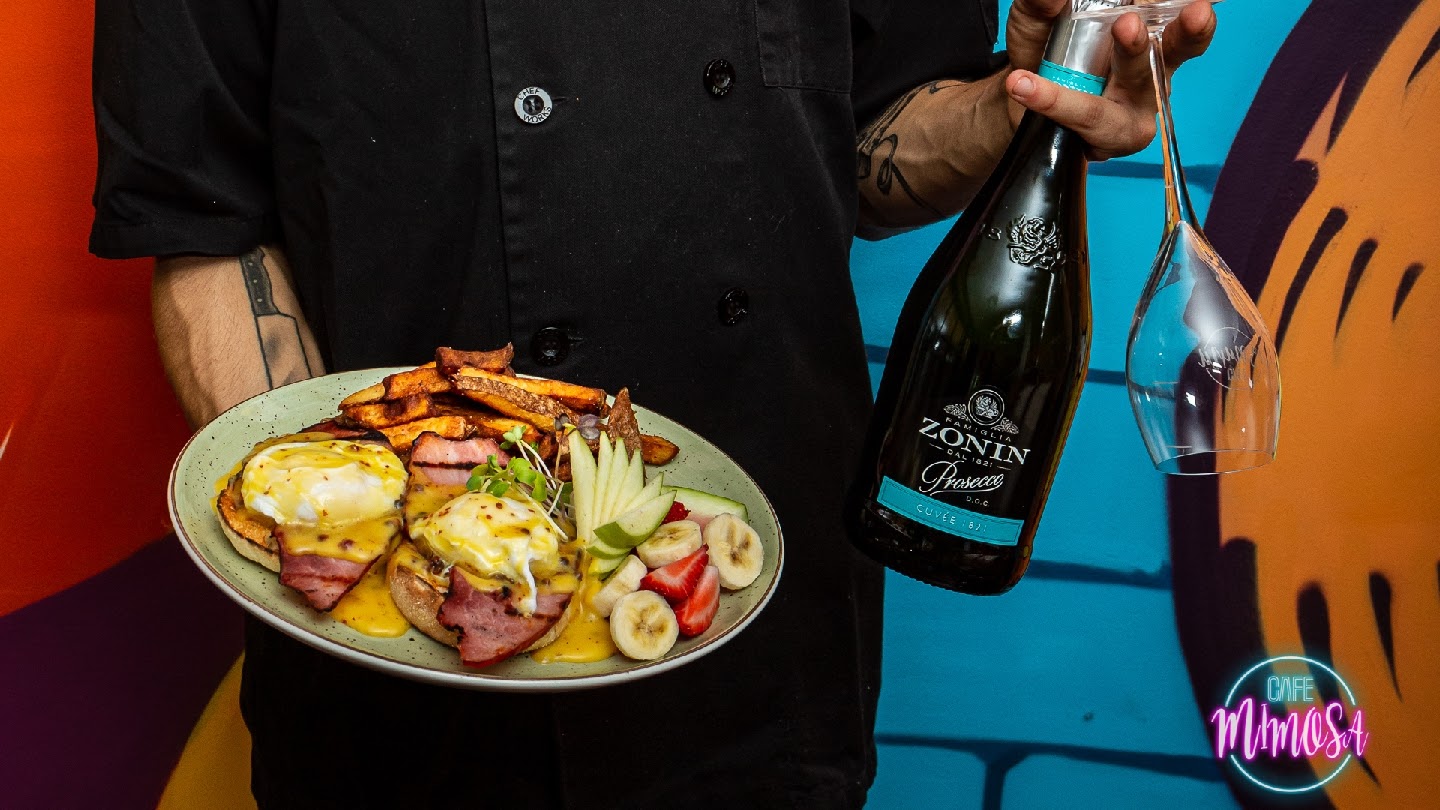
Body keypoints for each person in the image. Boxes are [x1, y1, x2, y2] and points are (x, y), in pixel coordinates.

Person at [90, 0, 1215, 806]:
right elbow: (202, 219)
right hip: (392, 695)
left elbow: (876, 134)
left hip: (750, 658)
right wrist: (343, 538)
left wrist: (1032, 98)